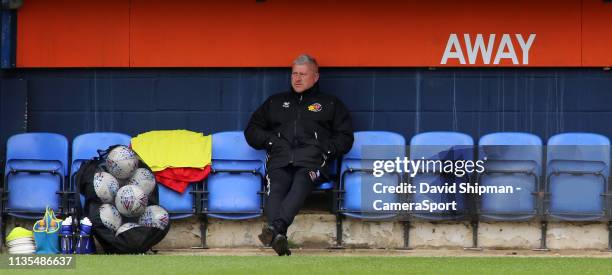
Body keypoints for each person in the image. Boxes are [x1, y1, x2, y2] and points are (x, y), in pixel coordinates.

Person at [244, 54, 354, 256]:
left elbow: (345, 137)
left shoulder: (330, 104)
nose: (297, 78)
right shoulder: (276, 102)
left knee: (300, 183)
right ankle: (279, 236)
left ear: (315, 77)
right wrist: (271, 141)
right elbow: (252, 129)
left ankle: (275, 230)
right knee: (276, 186)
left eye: (303, 74)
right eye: (294, 73)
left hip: (312, 161)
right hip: (280, 158)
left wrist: (325, 149)